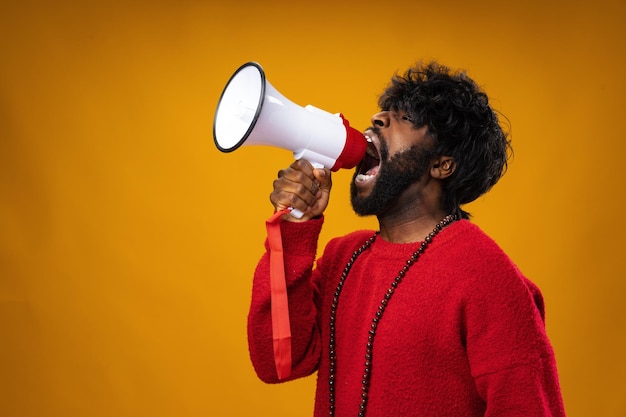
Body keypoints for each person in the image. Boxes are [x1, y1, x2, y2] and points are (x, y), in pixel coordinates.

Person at [246, 61, 566, 417]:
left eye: (405, 117)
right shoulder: (344, 256)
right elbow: (279, 362)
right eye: (384, 111)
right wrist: (296, 222)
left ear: (442, 164)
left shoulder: (487, 276)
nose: (378, 118)